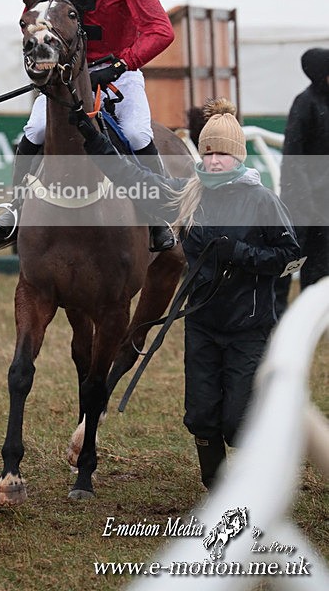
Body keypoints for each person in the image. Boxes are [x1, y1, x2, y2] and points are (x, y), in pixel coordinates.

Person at [72, 97, 300, 489]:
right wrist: (92, 136)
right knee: (200, 415)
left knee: (236, 421)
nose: (214, 162)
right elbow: (132, 178)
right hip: (202, 325)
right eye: (209, 153)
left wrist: (239, 253)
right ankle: (216, 487)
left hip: (249, 327)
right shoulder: (188, 195)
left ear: (238, 157)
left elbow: (291, 258)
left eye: (223, 155)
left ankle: (259, 472)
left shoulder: (263, 201)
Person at [0, 0, 176, 250]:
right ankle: (16, 206)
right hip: (65, 73)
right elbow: (30, 21)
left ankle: (158, 215)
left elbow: (161, 30)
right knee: (37, 128)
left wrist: (121, 64)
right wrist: (44, 58)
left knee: (136, 134)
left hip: (117, 71)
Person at [275, 47, 329, 316]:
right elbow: (293, 156)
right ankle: (276, 315)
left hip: (323, 204)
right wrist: (307, 202)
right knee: (292, 261)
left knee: (320, 264)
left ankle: (312, 317)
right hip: (301, 204)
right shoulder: (305, 103)